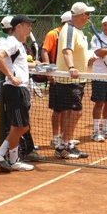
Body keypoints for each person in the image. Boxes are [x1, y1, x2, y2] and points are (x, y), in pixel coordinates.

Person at [0, 14, 39, 172]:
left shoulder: (19, 44)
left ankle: (0, 154)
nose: (30, 28)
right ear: (18, 27)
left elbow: (18, 64)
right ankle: (14, 160)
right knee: (17, 127)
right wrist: (11, 76)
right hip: (15, 88)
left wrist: (37, 65)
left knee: (22, 127)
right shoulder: (12, 42)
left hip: (20, 89)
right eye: (27, 25)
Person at [53, 2, 93, 159]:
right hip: (69, 79)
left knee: (72, 112)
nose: (89, 17)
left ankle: (68, 144)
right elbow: (66, 50)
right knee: (76, 112)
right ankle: (62, 146)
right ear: (82, 15)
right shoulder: (68, 29)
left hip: (78, 79)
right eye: (88, 14)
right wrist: (71, 67)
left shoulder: (78, 31)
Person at [41, 11, 74, 148]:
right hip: (57, 77)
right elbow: (44, 51)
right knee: (58, 109)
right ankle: (55, 138)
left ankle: (63, 136)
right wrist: (50, 72)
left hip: (69, 78)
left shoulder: (73, 35)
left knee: (67, 109)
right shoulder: (53, 34)